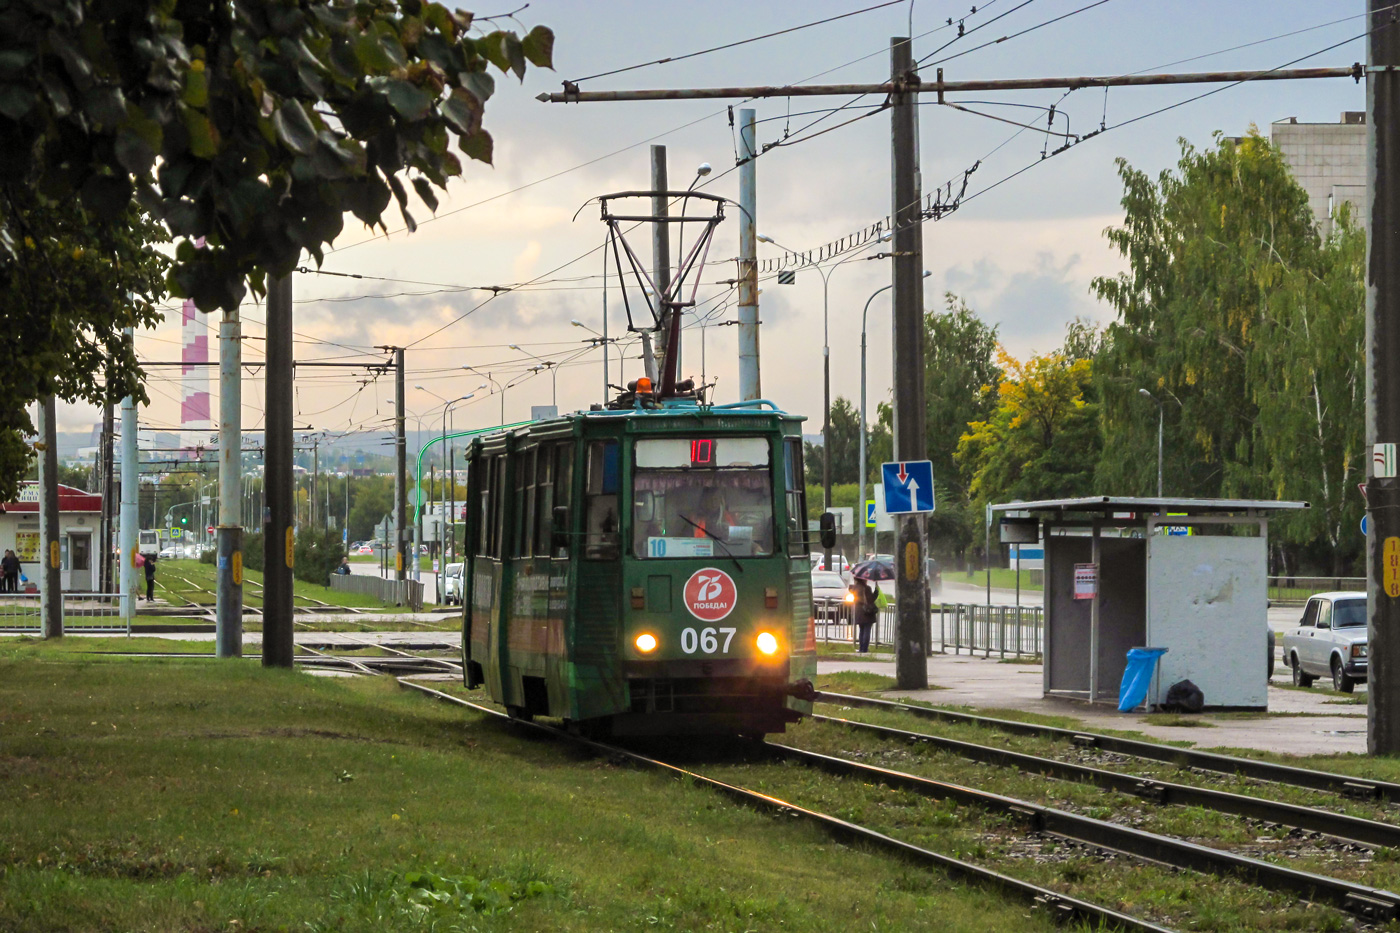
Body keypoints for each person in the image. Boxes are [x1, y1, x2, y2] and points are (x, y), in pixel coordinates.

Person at [851, 577, 878, 653]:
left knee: (861, 630)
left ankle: (861, 648)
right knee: (867, 630)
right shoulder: (867, 588)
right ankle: (865, 649)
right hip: (867, 611)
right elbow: (870, 600)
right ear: (863, 579)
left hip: (859, 612)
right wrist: (876, 593)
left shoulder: (854, 588)